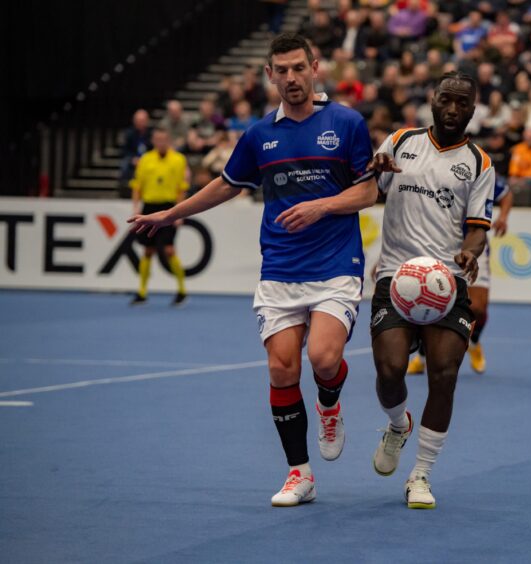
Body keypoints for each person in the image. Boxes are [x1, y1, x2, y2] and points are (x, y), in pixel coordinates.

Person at [128, 33, 377, 507]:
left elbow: (367, 193)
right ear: (269, 75)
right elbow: (226, 185)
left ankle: (329, 404)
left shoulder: (347, 123)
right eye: (281, 70)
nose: (290, 77)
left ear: (315, 67)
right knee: (282, 368)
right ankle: (299, 475)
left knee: (324, 359)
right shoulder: (260, 135)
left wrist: (321, 207)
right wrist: (169, 214)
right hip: (280, 268)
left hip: (334, 265)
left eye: (298, 68)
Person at [367, 72, 494, 509]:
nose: (453, 109)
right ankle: (397, 424)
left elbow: (477, 229)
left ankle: (420, 475)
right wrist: (371, 170)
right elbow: (365, 189)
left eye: (463, 103)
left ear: (473, 110)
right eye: (446, 100)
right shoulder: (400, 141)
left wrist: (470, 253)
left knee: (444, 373)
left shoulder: (479, 163)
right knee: (389, 370)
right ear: (432, 101)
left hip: (447, 282)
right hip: (396, 279)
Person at [407, 175, 512, 375]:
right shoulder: (432, 171)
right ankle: (421, 356)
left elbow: (506, 194)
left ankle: (474, 342)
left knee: (479, 308)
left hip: (474, 246)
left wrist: (503, 217)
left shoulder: (479, 170)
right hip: (438, 246)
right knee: (433, 303)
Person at [129, 128, 189, 306]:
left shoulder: (178, 160)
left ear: (168, 140)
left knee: (169, 250)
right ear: (153, 141)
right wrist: (135, 208)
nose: (161, 142)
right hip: (149, 206)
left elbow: (181, 188)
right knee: (148, 251)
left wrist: (179, 212)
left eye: (164, 139)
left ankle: (182, 290)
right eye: (157, 139)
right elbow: (137, 186)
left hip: (168, 207)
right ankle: (142, 292)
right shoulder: (145, 159)